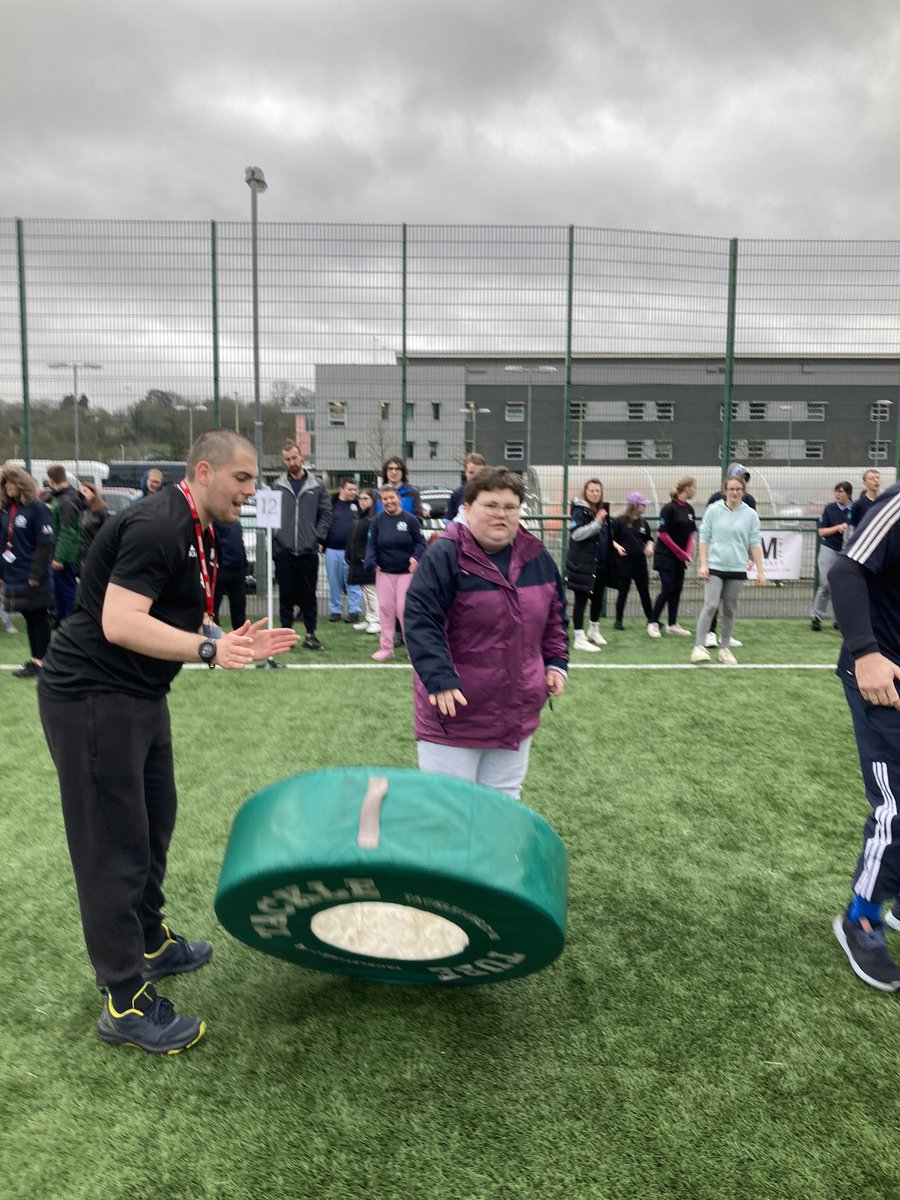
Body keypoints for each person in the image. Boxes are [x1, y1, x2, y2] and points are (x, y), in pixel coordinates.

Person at [37, 430, 297, 1055]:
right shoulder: (159, 524)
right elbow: (119, 622)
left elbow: (167, 613)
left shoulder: (194, 524)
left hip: (138, 696)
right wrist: (210, 649)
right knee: (113, 845)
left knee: (155, 823)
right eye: (242, 479)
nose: (251, 491)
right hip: (92, 698)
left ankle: (150, 942)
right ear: (204, 472)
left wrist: (219, 635)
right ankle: (124, 1000)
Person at [404, 466, 568, 800]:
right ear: (467, 509)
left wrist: (555, 662)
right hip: (455, 715)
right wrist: (440, 678)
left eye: (510, 507)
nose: (501, 514)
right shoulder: (444, 556)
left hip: (515, 713)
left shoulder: (537, 556)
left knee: (503, 805)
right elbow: (421, 620)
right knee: (450, 811)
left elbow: (554, 617)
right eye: (490, 505)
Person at [830, 481, 900, 991]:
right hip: (881, 677)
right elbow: (846, 569)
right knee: (897, 805)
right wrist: (865, 652)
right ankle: (862, 915)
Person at [691, 475, 766, 665]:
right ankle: (698, 647)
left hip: (737, 567)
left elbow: (755, 542)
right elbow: (704, 537)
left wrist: (760, 570)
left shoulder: (750, 514)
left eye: (738, 489)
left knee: (730, 609)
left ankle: (725, 649)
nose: (734, 492)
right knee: (711, 605)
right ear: (725, 491)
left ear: (743, 491)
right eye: (731, 489)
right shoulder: (713, 510)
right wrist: (703, 564)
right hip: (714, 567)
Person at [272, 440, 333, 651]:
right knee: (285, 594)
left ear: (302, 458)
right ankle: (286, 637)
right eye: (288, 459)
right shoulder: (277, 485)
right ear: (284, 461)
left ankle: (310, 635)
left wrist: (317, 536)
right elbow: (270, 515)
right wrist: (277, 535)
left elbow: (326, 513)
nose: (292, 462)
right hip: (284, 550)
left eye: (295, 458)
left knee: (309, 596)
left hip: (308, 551)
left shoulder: (316, 485)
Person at [0, 464, 55, 679]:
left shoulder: (38, 508)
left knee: (38, 617)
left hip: (33, 576)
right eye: (4, 484)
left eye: (10, 483)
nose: (6, 487)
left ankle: (42, 661)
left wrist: (35, 574)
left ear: (21, 484)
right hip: (13, 575)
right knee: (29, 616)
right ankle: (37, 659)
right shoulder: (5, 510)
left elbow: (45, 544)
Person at [364, 483, 427, 661]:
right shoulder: (377, 521)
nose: (389, 501)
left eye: (392, 497)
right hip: (384, 572)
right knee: (385, 609)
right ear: (381, 501)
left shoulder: (410, 520)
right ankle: (386, 648)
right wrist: (371, 561)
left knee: (404, 609)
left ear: (398, 498)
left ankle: (412, 649)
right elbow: (371, 544)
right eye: (385, 499)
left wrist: (415, 558)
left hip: (406, 573)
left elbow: (421, 543)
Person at [703, 463, 756, 649]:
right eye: (740, 476)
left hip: (736, 561)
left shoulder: (749, 501)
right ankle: (710, 632)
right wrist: (705, 560)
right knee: (712, 600)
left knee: (730, 602)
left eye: (744, 480)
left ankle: (726, 636)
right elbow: (707, 530)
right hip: (717, 558)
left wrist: (750, 556)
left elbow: (751, 534)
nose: (738, 489)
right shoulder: (715, 501)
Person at [565, 478, 612, 653]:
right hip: (583, 564)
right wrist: (597, 523)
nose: (595, 493)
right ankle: (579, 637)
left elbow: (606, 536)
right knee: (581, 599)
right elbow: (576, 535)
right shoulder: (579, 511)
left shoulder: (601, 510)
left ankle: (594, 630)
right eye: (591, 490)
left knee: (598, 597)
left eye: (598, 491)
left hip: (599, 563)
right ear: (585, 492)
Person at [648, 477, 697, 638]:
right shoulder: (668, 508)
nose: (695, 490)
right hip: (665, 556)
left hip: (679, 558)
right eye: (694, 487)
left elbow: (691, 533)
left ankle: (672, 624)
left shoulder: (690, 509)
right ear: (686, 488)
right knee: (668, 588)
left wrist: (687, 553)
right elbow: (663, 535)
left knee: (677, 589)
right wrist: (681, 553)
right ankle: (653, 622)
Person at [810, 482, 852, 632]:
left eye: (841, 492)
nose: (838, 494)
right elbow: (821, 532)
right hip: (829, 548)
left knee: (841, 586)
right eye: (836, 491)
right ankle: (816, 617)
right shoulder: (830, 509)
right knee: (825, 584)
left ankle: (838, 620)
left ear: (848, 494)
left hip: (847, 552)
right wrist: (839, 527)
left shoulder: (854, 509)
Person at [610, 492, 654, 632]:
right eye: (642, 504)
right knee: (623, 591)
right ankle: (618, 620)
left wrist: (649, 546)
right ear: (635, 505)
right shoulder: (619, 522)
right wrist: (617, 546)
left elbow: (649, 538)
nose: (644, 506)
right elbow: (610, 539)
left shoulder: (643, 523)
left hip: (640, 563)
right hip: (624, 563)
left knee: (644, 592)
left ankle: (651, 620)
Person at [46, 464, 82, 625]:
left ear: (51, 480)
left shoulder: (66, 501)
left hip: (66, 554)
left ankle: (71, 620)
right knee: (59, 587)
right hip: (60, 550)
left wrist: (59, 557)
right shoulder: (61, 497)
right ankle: (60, 617)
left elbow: (67, 531)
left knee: (67, 589)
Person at [323, 477, 363, 623]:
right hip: (332, 549)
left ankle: (354, 611)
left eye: (354, 489)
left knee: (353, 582)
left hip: (352, 551)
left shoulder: (359, 505)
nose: (353, 492)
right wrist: (321, 541)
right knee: (334, 582)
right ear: (342, 489)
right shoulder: (330, 504)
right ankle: (335, 610)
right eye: (350, 489)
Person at [345, 488, 379, 634]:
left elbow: (373, 542)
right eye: (360, 498)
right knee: (365, 590)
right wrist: (349, 553)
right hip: (357, 561)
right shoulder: (358, 518)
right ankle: (368, 618)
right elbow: (353, 539)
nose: (362, 501)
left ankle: (376, 621)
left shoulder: (373, 519)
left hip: (367, 561)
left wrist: (367, 558)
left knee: (371, 591)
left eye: (366, 498)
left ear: (372, 501)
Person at [212, 517, 248, 630]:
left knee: (239, 608)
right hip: (219, 570)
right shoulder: (214, 521)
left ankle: (240, 638)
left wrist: (244, 563)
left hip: (238, 570)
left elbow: (240, 544)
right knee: (212, 609)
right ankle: (214, 636)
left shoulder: (236, 523)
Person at [445, 452, 487, 524]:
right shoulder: (457, 494)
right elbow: (449, 521)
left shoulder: (491, 493)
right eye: (471, 472)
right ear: (465, 472)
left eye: (479, 473)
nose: (475, 477)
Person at [78, 481, 109, 572]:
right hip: (80, 555)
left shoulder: (101, 512)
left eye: (85, 491)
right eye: (80, 491)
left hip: (94, 552)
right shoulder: (80, 510)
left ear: (94, 494)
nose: (81, 494)